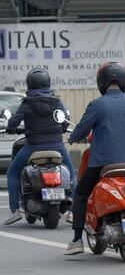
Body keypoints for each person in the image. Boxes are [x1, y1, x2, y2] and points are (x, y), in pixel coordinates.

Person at [63, 62, 125, 255]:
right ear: (123, 81)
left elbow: (82, 129)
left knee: (80, 193)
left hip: (104, 163)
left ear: (101, 82)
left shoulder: (97, 105)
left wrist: (72, 138)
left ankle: (77, 239)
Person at [4, 68, 76, 225]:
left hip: (33, 146)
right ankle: (72, 212)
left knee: (12, 173)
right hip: (57, 147)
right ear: (48, 82)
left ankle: (16, 209)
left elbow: (13, 123)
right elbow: (64, 123)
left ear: (29, 84)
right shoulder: (56, 102)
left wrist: (11, 126)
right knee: (71, 174)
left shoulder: (27, 103)